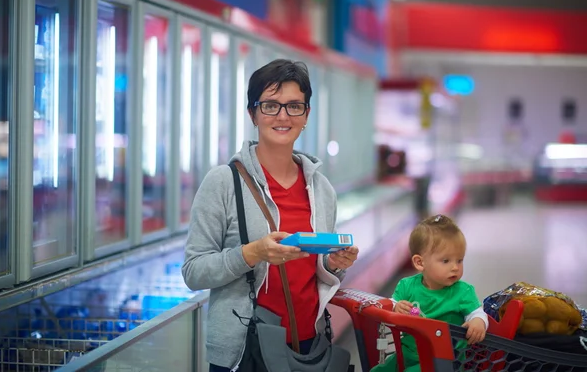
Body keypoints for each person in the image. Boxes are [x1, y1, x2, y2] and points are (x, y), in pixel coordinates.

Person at [181, 59, 359, 372]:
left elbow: (315, 272)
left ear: (306, 115)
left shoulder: (321, 189)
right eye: (270, 106)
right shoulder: (224, 182)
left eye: (294, 106)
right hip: (245, 350)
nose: (282, 116)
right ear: (253, 113)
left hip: (308, 348)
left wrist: (333, 264)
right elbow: (194, 272)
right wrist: (253, 253)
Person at [371, 214, 488, 372]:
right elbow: (390, 304)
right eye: (446, 261)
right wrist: (395, 307)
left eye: (459, 260)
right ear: (420, 262)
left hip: (443, 361)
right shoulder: (407, 286)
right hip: (407, 353)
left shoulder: (462, 291)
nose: (455, 267)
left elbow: (477, 313)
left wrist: (478, 322)